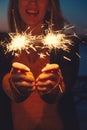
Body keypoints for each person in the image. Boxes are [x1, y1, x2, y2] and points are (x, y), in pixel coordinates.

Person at [0, 0, 80, 130]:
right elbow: (3, 78)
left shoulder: (66, 46)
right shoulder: (3, 45)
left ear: (49, 5)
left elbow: (66, 82)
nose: (33, 2)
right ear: (16, 3)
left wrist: (55, 89)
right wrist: (13, 88)